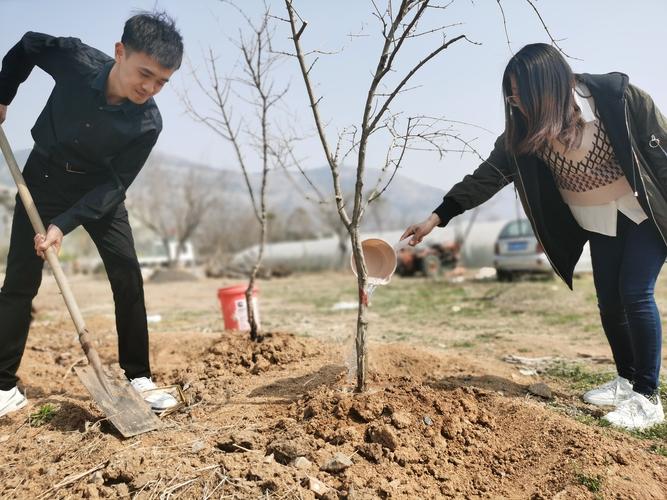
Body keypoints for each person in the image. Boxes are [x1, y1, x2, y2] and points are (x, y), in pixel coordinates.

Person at [402, 43, 666, 430]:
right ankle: (626, 382)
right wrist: (438, 216)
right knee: (609, 301)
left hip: (643, 214)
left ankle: (647, 396)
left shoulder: (618, 99)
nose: (515, 102)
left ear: (549, 86)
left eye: (520, 93)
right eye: (510, 94)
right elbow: (488, 175)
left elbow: (661, 154)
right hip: (597, 220)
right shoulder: (525, 133)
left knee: (635, 292)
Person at [0, 12, 183, 417]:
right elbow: (29, 43)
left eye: (162, 82)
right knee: (19, 280)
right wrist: (3, 95)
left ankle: (139, 378)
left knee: (127, 274)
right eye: (145, 74)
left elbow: (116, 185)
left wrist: (63, 225)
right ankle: (3, 386)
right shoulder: (75, 59)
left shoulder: (148, 123)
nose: (150, 88)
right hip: (43, 178)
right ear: (120, 52)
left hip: (99, 190)